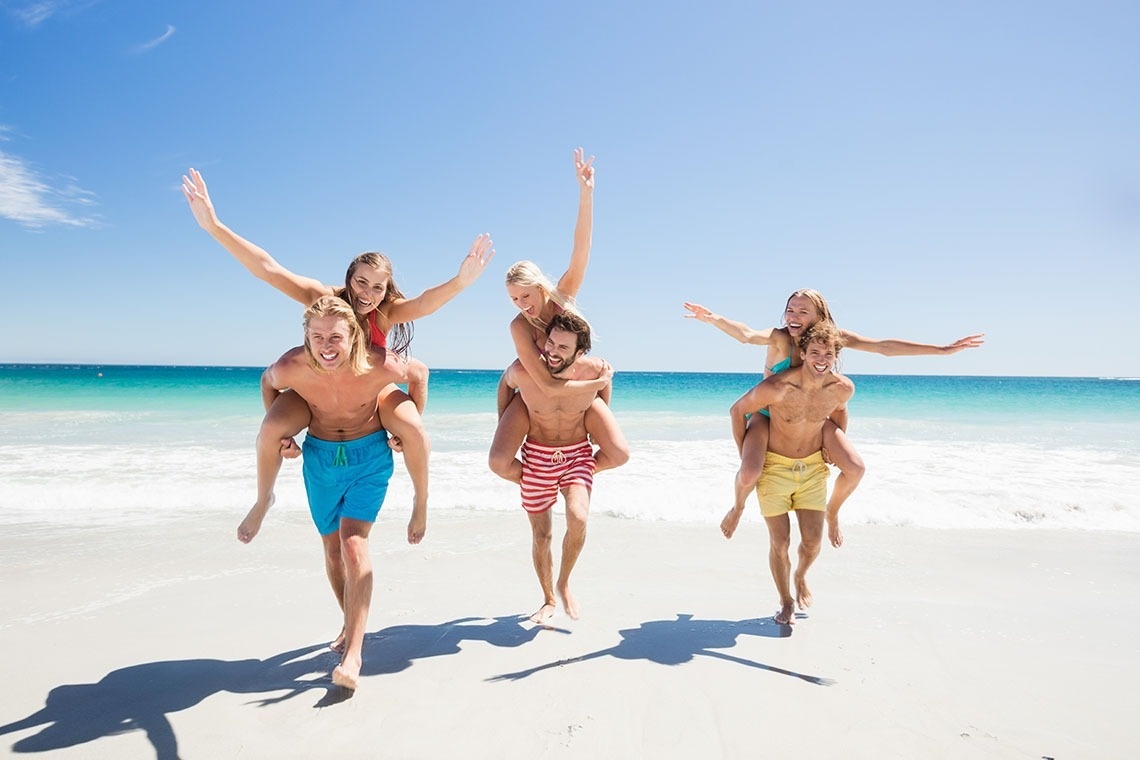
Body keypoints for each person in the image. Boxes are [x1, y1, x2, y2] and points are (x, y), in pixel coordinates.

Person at [182, 168, 493, 521]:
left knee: (414, 429)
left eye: (378, 287)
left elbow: (424, 303)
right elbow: (269, 269)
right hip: (320, 385)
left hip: (369, 390)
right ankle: (264, 498)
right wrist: (214, 227)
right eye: (362, 282)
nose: (368, 294)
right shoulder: (324, 297)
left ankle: (421, 502)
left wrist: (460, 282)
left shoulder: (386, 311)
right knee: (270, 429)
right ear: (349, 277)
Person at [684, 291, 983, 540]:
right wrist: (714, 319)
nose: (793, 316)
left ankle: (833, 511)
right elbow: (747, 335)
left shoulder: (831, 340)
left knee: (855, 467)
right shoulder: (780, 339)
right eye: (790, 310)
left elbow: (883, 347)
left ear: (819, 317)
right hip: (768, 414)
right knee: (749, 473)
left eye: (803, 311)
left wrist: (943, 350)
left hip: (811, 415)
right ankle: (738, 507)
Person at [249, 295, 430, 691]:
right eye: (317, 337)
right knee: (332, 550)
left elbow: (419, 373)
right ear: (306, 337)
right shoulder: (291, 366)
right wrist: (285, 435)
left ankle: (354, 655)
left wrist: (407, 422)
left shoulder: (378, 363)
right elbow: (267, 383)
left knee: (352, 543)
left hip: (369, 457)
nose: (326, 346)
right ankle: (350, 625)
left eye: (335, 337)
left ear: (353, 338)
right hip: (320, 459)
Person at [488, 148, 629, 486]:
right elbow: (548, 384)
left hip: (568, 388)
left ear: (540, 286)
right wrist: (598, 384)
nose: (522, 304)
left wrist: (586, 193)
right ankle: (540, 476)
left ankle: (577, 470)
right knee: (512, 378)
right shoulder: (519, 326)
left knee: (617, 445)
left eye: (525, 295)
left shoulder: (564, 298)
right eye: (513, 300)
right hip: (532, 388)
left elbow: (582, 249)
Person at [728, 321, 853, 625]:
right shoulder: (778, 387)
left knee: (812, 543)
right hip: (774, 469)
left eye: (827, 353)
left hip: (811, 469)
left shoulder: (843, 387)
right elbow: (737, 410)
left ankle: (800, 575)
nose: (821, 359)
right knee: (780, 543)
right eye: (814, 352)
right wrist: (744, 449)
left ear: (836, 355)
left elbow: (838, 410)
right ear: (804, 352)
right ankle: (785, 600)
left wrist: (831, 445)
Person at [497, 312, 612, 624]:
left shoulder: (594, 369)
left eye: (563, 346)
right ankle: (548, 599)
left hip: (576, 456)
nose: (553, 350)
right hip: (536, 457)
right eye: (551, 342)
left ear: (579, 352)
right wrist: (505, 421)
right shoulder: (524, 370)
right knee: (542, 536)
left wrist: (594, 420)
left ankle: (564, 582)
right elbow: (504, 385)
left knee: (578, 516)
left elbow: (602, 390)